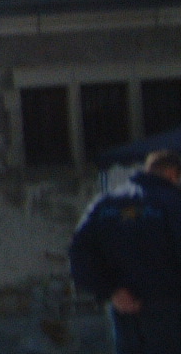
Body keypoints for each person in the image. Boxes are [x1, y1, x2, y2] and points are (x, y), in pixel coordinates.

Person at [69, 149, 181, 354]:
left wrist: (110, 291)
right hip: (169, 310)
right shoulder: (173, 203)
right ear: (172, 173)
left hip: (124, 308)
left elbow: (79, 253)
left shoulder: (104, 204)